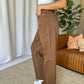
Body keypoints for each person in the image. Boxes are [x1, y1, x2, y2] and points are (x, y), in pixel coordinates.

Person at [31, 0, 67, 84]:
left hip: (47, 17)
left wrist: (41, 7)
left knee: (49, 54)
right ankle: (42, 78)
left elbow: (63, 3)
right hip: (44, 18)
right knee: (35, 48)